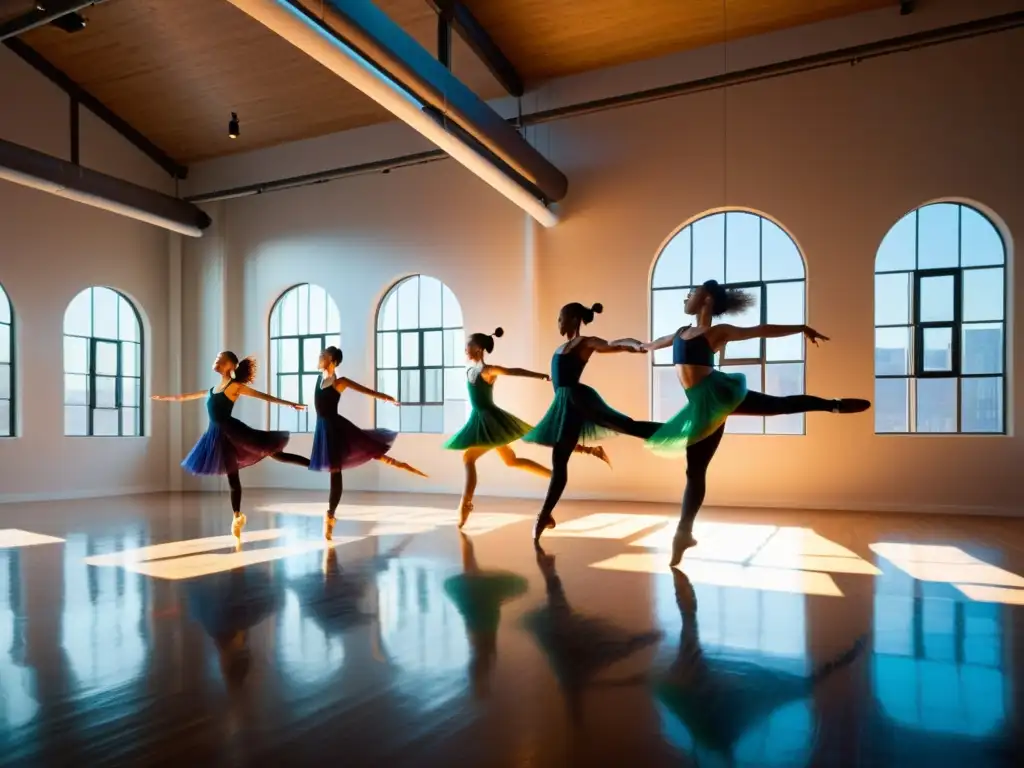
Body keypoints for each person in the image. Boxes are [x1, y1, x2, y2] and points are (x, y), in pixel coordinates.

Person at [639, 280, 870, 565]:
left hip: (719, 394)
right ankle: (683, 534)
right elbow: (647, 345)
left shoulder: (717, 332)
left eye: (694, 290)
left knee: (779, 405)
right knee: (695, 471)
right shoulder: (679, 333)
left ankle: (832, 405)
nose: (687, 295)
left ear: (707, 298)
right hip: (702, 407)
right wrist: (618, 345)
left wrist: (801, 328)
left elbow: (761, 331)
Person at [444, 327, 609, 528]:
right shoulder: (470, 371)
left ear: (478, 349)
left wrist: (540, 376)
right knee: (511, 460)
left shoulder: (488, 371)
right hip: (480, 420)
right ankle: (559, 471)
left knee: (469, 457)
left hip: (491, 420)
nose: (465, 351)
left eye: (467, 347)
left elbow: (514, 372)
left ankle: (465, 504)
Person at [523, 302, 660, 543]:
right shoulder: (560, 347)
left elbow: (613, 344)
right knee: (559, 462)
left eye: (561, 318)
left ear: (574, 319)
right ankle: (544, 515)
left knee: (626, 425)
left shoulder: (585, 343)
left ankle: (677, 430)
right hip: (565, 408)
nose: (558, 323)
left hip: (580, 400)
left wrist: (635, 345)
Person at [152, 351, 309, 539]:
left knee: (276, 454)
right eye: (216, 358)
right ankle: (237, 517)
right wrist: (164, 398)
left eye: (219, 359)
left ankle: (312, 463)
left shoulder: (234, 387)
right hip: (217, 437)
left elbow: (263, 396)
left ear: (230, 365)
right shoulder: (211, 390)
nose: (215, 361)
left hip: (234, 431)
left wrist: (290, 404)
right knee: (232, 478)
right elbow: (183, 397)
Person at [311, 346, 426, 540]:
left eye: (322, 355)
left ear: (331, 360)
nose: (319, 357)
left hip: (336, 428)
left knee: (361, 455)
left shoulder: (340, 382)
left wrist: (387, 398)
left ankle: (330, 516)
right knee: (339, 469)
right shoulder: (318, 379)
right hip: (323, 430)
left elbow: (365, 391)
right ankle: (331, 518)